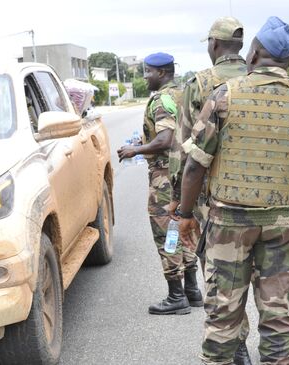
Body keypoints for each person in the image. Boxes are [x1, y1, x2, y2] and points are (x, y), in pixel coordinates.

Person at [177, 16, 289, 364]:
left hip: (228, 226)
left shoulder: (223, 97)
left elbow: (195, 165)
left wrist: (184, 215)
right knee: (279, 319)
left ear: (252, 56)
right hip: (284, 226)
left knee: (223, 316)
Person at [167, 17, 252, 364]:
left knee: (221, 279)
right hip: (263, 197)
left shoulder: (199, 84)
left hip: (212, 201)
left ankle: (237, 345)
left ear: (214, 45)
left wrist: (178, 200)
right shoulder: (259, 78)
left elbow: (184, 148)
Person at [117, 52, 200, 315]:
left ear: (162, 73)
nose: (145, 77)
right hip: (185, 174)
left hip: (165, 178)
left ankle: (176, 296)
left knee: (168, 233)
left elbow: (164, 139)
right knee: (182, 228)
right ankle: (192, 290)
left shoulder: (162, 100)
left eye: (148, 72)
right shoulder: (183, 94)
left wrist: (135, 150)